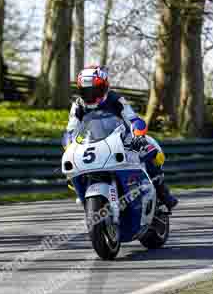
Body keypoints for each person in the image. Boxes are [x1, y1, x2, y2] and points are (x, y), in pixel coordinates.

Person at [64, 65, 178, 211]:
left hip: (122, 139)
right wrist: (68, 145)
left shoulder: (116, 99)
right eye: (86, 91)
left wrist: (137, 135)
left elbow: (133, 119)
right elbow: (71, 129)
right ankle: (86, 196)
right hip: (93, 143)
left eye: (95, 90)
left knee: (149, 151)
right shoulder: (78, 105)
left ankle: (163, 193)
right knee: (72, 170)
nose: (91, 95)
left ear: (105, 87)